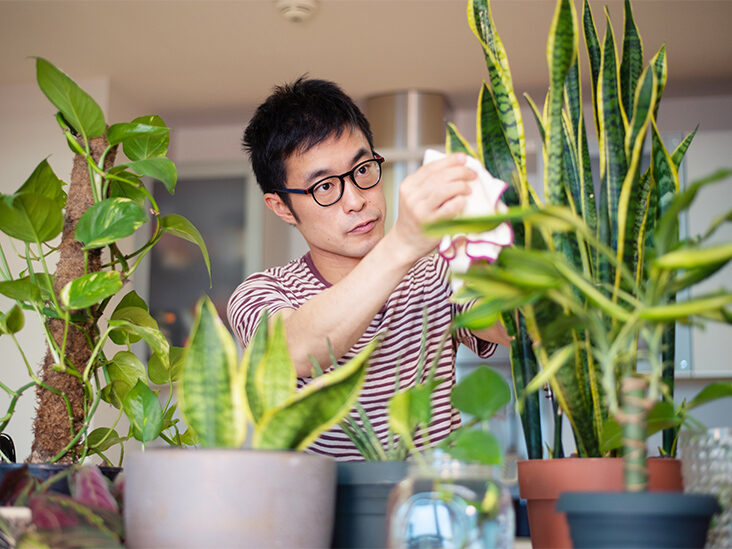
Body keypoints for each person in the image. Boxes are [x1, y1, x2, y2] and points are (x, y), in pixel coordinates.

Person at [227, 78, 510, 460]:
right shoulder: (262, 292)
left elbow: (518, 328)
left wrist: (491, 235)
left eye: (362, 169)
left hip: (433, 506)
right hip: (321, 509)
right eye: (324, 187)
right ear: (280, 206)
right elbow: (294, 351)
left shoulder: (437, 273)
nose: (357, 200)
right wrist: (404, 244)